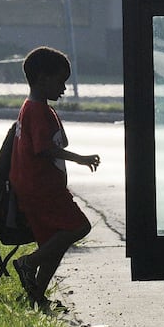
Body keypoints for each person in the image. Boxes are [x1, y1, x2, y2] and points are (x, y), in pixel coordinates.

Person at [9, 46, 100, 309]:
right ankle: (28, 263)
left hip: (40, 186)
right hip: (41, 188)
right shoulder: (37, 111)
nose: (64, 88)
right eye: (60, 81)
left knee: (53, 244)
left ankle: (36, 296)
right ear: (41, 78)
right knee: (79, 227)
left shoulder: (39, 108)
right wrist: (81, 159)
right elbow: (44, 148)